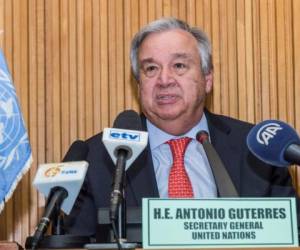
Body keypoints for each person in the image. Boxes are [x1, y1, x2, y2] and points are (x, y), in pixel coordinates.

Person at [64, 17, 298, 237]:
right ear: (139, 85)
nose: (164, 80)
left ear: (207, 79)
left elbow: (291, 236)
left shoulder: (258, 151)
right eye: (151, 69)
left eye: (179, 65)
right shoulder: (96, 159)